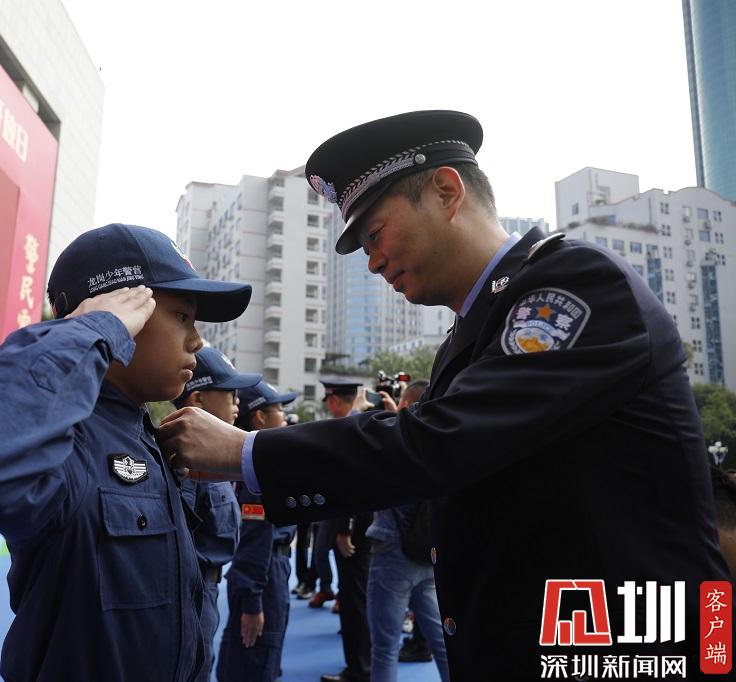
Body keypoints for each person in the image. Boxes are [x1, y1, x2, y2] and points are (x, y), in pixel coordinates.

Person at [159, 111, 730, 679]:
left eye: (375, 234)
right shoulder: (475, 330)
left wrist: (247, 451)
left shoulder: (574, 284)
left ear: (446, 192)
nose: (373, 262)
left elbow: (439, 442)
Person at [0, 223, 251, 681]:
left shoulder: (146, 436)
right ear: (120, 311)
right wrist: (92, 329)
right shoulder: (68, 441)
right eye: (182, 316)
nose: (196, 340)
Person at [172, 346, 259, 681]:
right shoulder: (186, 465)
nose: (238, 403)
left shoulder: (214, 460)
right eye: (230, 394)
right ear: (198, 400)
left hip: (206, 592)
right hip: (190, 595)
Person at [364, 379, 449, 682]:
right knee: (443, 644)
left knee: (384, 648)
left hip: (391, 556)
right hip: (426, 557)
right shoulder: (441, 441)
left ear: (405, 404)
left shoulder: (394, 441)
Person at [216, 380, 298, 682]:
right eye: (279, 410)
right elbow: (255, 538)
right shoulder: (258, 472)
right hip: (263, 574)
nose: (285, 418)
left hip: (268, 569)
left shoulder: (260, 464)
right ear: (260, 417)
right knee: (254, 657)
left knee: (257, 657)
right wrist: (253, 602)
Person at [315, 380, 373, 682]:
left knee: (355, 599)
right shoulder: (360, 424)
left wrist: (344, 529)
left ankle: (359, 668)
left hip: (354, 533)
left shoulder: (353, 429)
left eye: (328, 400)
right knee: (356, 597)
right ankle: (362, 663)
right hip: (362, 530)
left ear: (336, 400)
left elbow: (353, 485)